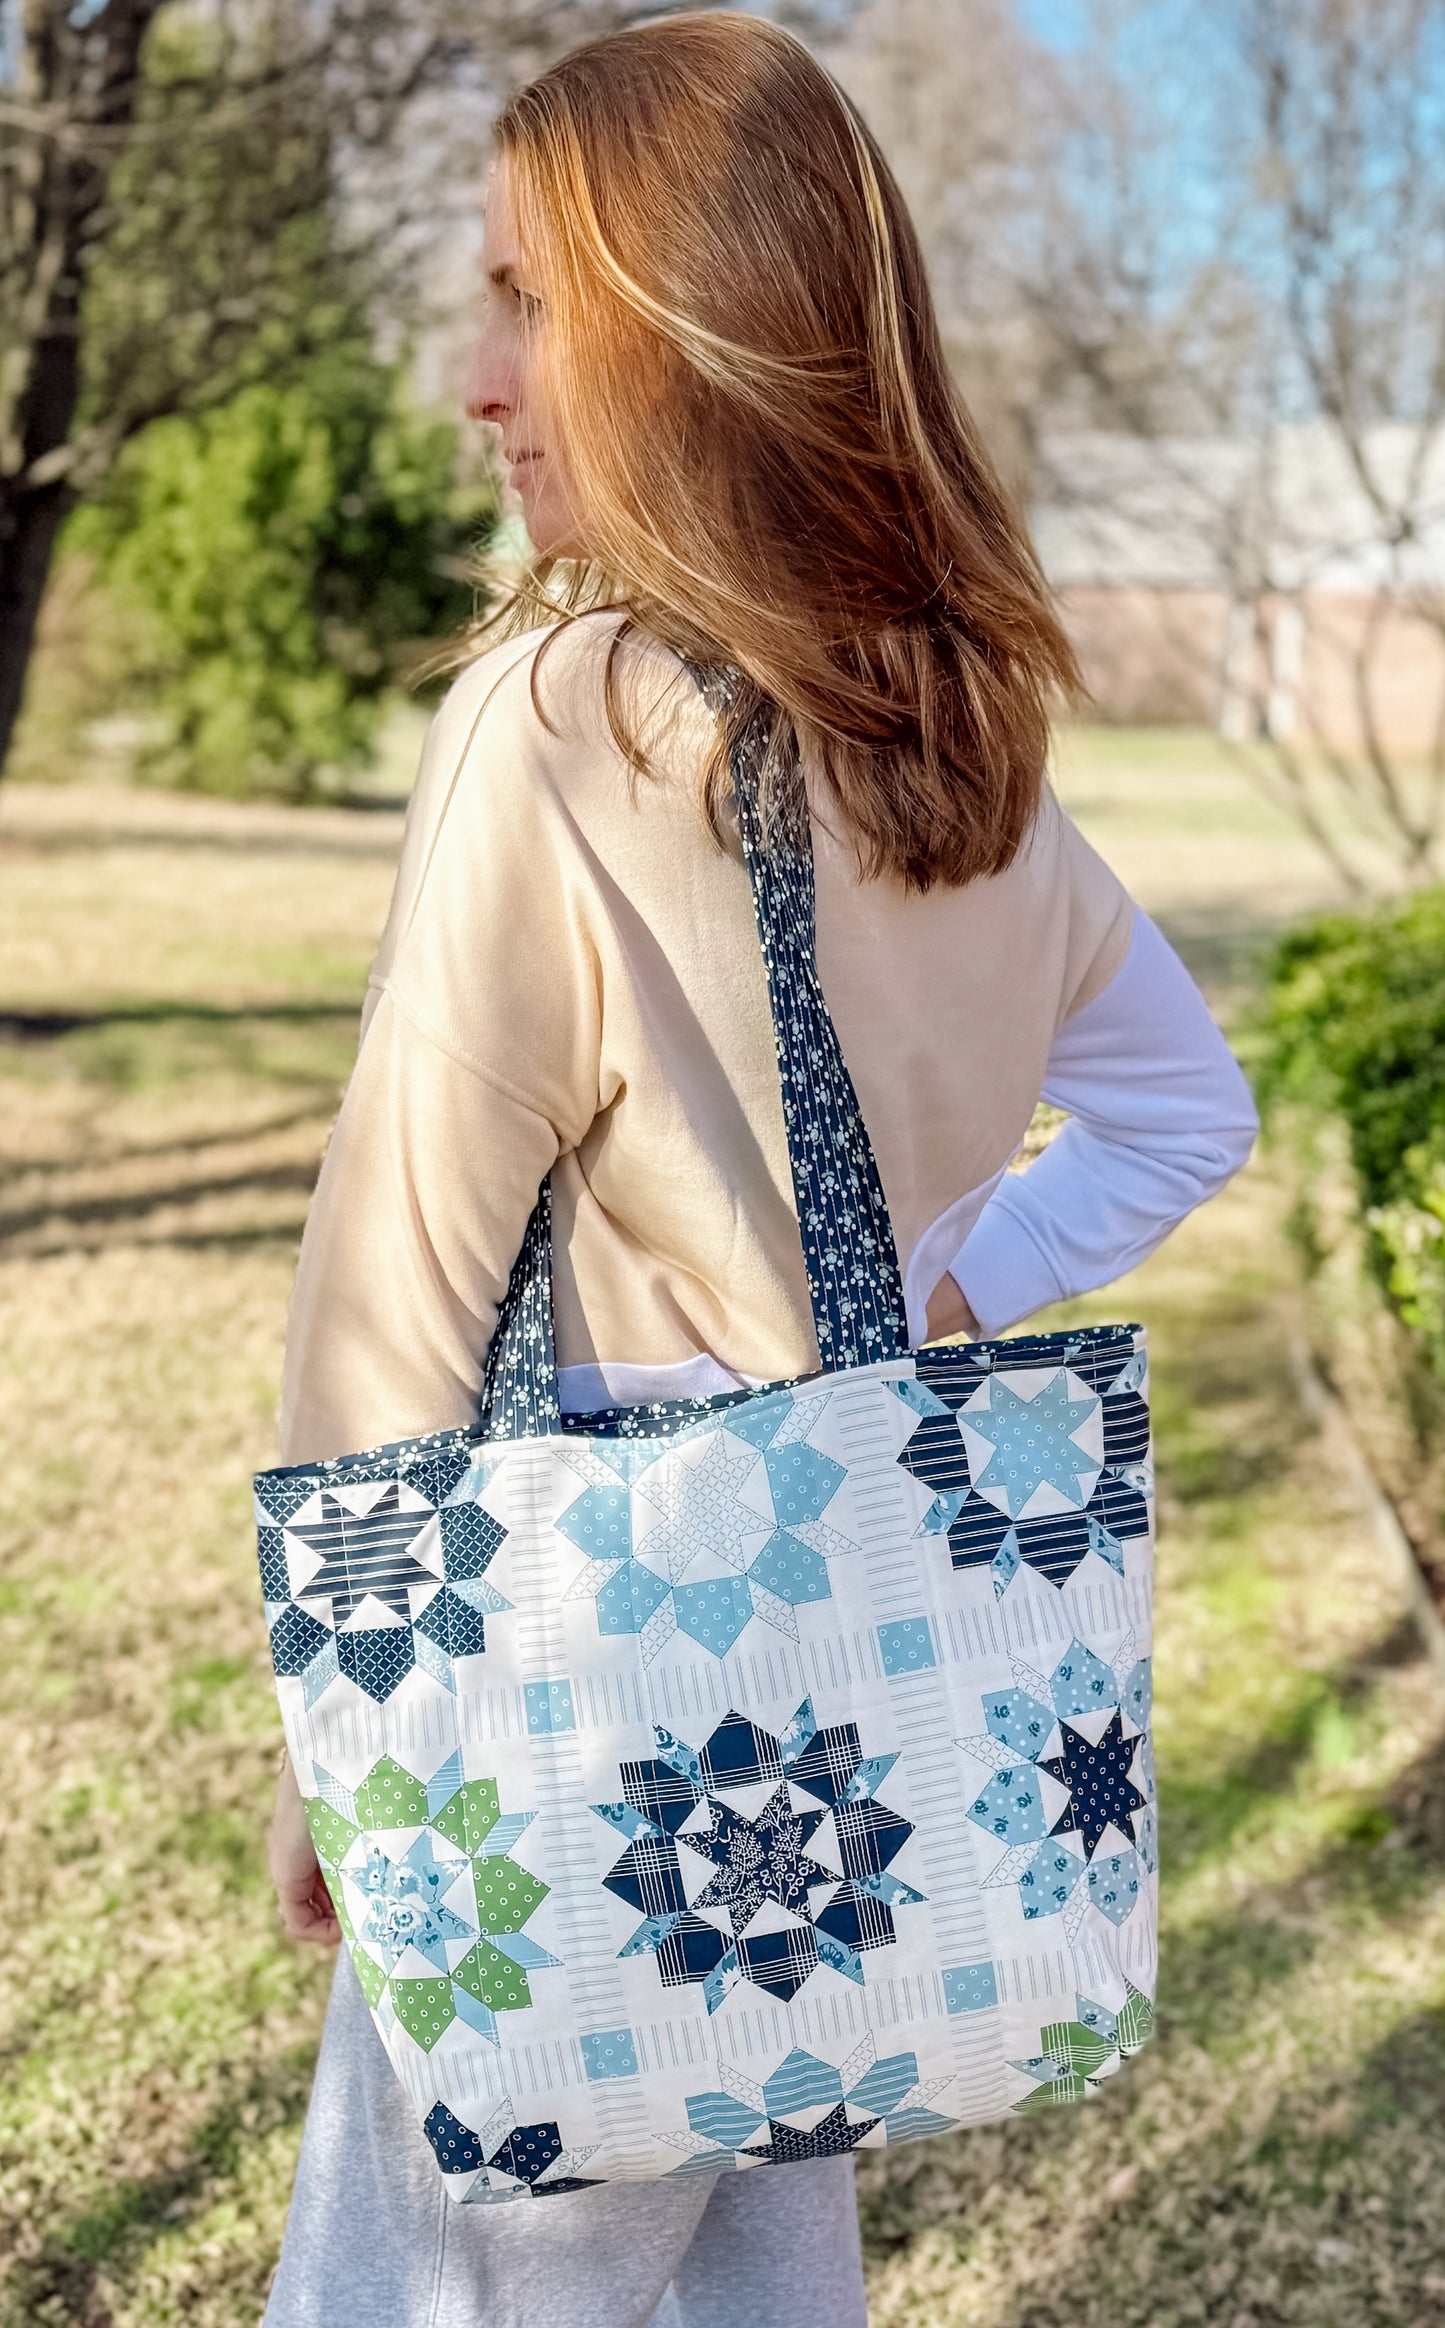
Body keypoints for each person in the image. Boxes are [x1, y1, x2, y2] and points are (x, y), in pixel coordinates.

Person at [261, 15, 1257, 2324]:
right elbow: (1181, 1110)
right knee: (756, 2269)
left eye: (525, 302)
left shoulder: (565, 716)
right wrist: (929, 1294)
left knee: (445, 2288)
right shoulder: (954, 747)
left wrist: (345, 1735)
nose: (472, 380)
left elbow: (404, 1264)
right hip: (855, 1712)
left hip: (573, 1664)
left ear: (677, 342)